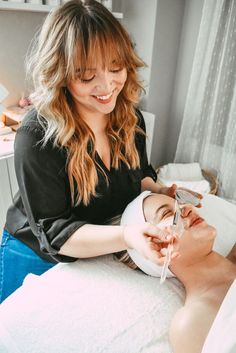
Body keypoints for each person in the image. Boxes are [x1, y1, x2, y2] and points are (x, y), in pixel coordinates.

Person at [0, 0, 186, 303]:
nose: (107, 85)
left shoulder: (129, 117)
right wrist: (127, 236)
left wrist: (157, 190)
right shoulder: (37, 135)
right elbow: (56, 233)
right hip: (33, 251)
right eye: (87, 75)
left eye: (116, 67)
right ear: (60, 74)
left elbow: (139, 172)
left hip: (94, 246)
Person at [121, 191, 236, 353]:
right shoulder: (192, 323)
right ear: (156, 249)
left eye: (181, 204)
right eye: (167, 213)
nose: (188, 208)